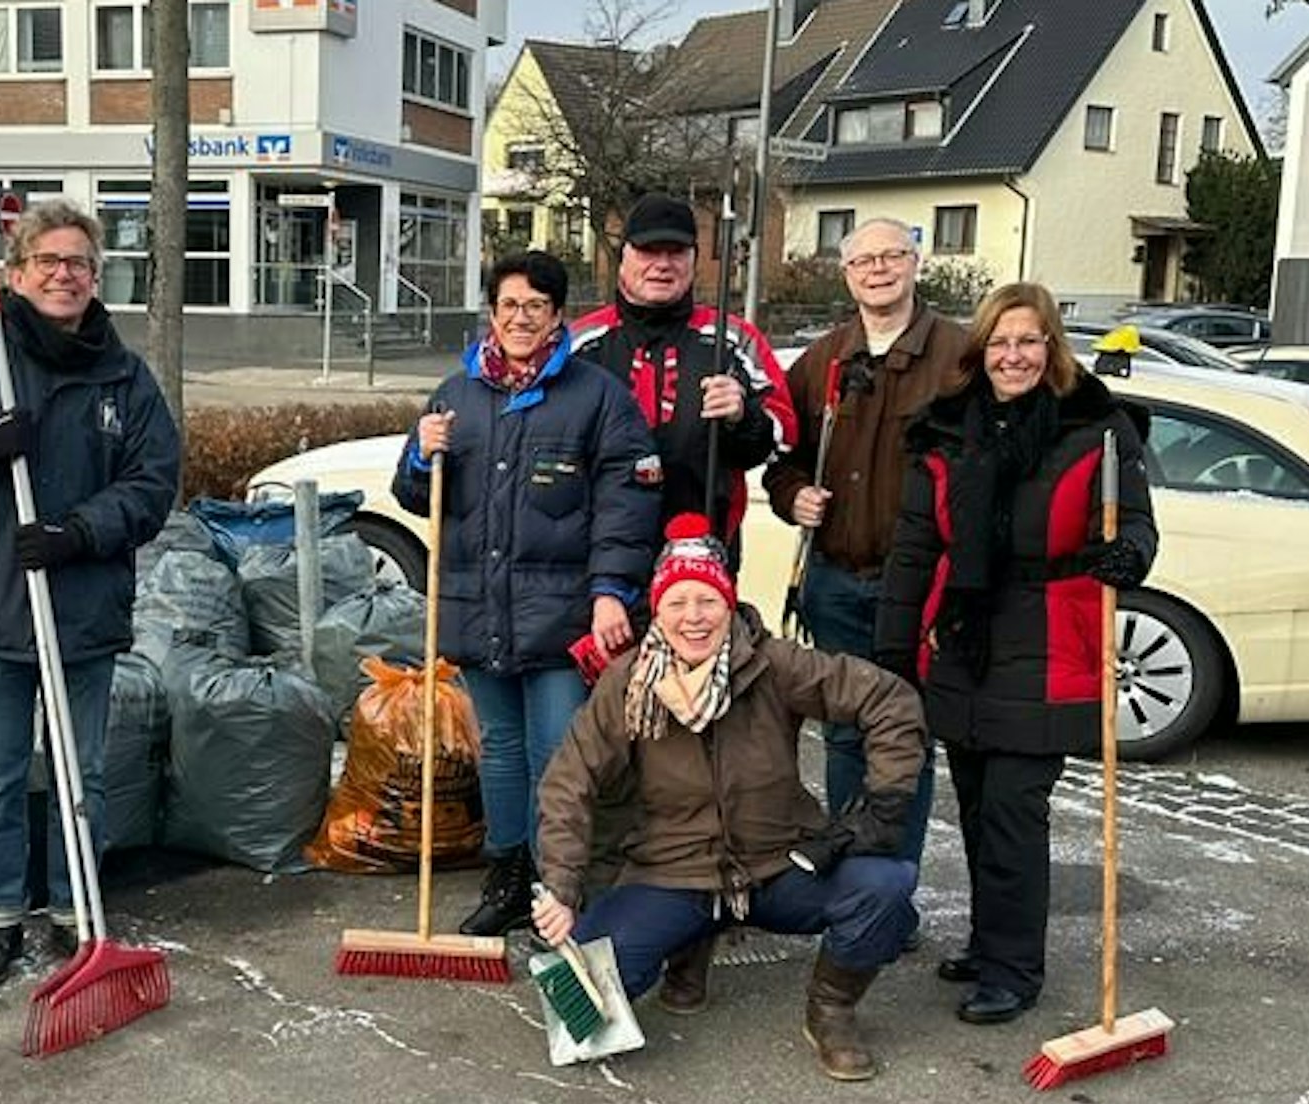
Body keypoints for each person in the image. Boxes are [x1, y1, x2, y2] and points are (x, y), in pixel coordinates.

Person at [0, 198, 180, 988]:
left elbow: (153, 482)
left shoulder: (123, 376)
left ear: (96, 276)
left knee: (81, 772)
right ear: (16, 274)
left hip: (84, 608)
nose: (64, 274)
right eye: (47, 260)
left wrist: (77, 532)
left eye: (79, 262)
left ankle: (73, 909)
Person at [532, 514, 927, 1082]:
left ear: (729, 602)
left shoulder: (774, 664)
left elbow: (891, 701)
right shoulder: (627, 682)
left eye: (707, 601)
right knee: (580, 1012)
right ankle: (689, 943)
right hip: (672, 870)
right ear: (658, 610)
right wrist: (563, 887)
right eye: (677, 602)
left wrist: (884, 804)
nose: (693, 617)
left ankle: (832, 1010)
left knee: (886, 889)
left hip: (779, 863)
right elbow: (567, 783)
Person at [875, 281, 1157, 1025]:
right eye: (1000, 342)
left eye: (1028, 340)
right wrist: (894, 649)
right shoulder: (946, 431)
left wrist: (1128, 554)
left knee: (1012, 810)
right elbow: (915, 547)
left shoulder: (1096, 429)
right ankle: (988, 939)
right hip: (965, 637)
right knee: (974, 806)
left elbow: (1136, 523)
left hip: (1048, 638)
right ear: (981, 350)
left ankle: (1012, 968)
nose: (1013, 355)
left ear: (1051, 346)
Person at [392, 249, 659, 938]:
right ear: (492, 312)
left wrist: (609, 592)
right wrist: (421, 453)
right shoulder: (456, 395)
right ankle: (508, 873)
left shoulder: (597, 397)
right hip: (479, 609)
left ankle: (555, 885)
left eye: (535, 307)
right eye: (509, 305)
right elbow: (415, 494)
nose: (520, 318)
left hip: (559, 617)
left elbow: (627, 505)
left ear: (557, 316)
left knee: (557, 753)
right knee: (502, 749)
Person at [750, 218, 972, 976]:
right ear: (846, 274)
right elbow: (780, 456)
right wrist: (792, 496)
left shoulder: (957, 355)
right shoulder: (824, 358)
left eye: (891, 256)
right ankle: (854, 888)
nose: (878, 270)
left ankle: (893, 898)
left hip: (919, 590)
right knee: (845, 738)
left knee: (905, 741)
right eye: (863, 260)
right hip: (836, 582)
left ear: (916, 262)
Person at [571, 192, 797, 565]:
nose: (662, 264)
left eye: (675, 252)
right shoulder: (579, 345)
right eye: (648, 251)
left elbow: (784, 436)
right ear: (623, 256)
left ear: (694, 259)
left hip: (703, 550)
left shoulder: (735, 341)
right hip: (595, 552)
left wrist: (743, 418)